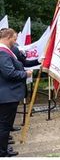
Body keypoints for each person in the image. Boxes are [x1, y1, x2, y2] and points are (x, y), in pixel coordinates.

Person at [0, 28, 32, 157]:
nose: (15, 40)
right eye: (14, 38)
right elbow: (9, 73)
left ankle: (3, 148)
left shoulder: (6, 51)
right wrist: (26, 73)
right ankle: (2, 152)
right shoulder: (2, 52)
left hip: (8, 94)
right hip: (7, 95)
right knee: (4, 125)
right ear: (8, 37)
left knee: (4, 124)